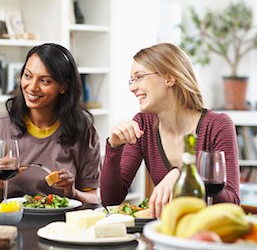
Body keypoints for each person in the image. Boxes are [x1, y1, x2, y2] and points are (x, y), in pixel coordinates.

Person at [100, 42, 240, 218]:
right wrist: (114, 147)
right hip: (165, 232)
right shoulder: (143, 125)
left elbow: (232, 201)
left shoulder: (217, 125)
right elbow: (111, 200)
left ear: (169, 78)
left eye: (139, 77)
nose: (132, 88)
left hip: (206, 234)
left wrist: (182, 176)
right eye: (131, 80)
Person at [0, 43, 100, 203]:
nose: (32, 87)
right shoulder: (0, 125)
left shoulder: (83, 130)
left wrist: (72, 192)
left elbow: (92, 198)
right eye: (27, 76)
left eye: (45, 81)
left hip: (61, 225)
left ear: (63, 86)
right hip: (11, 220)